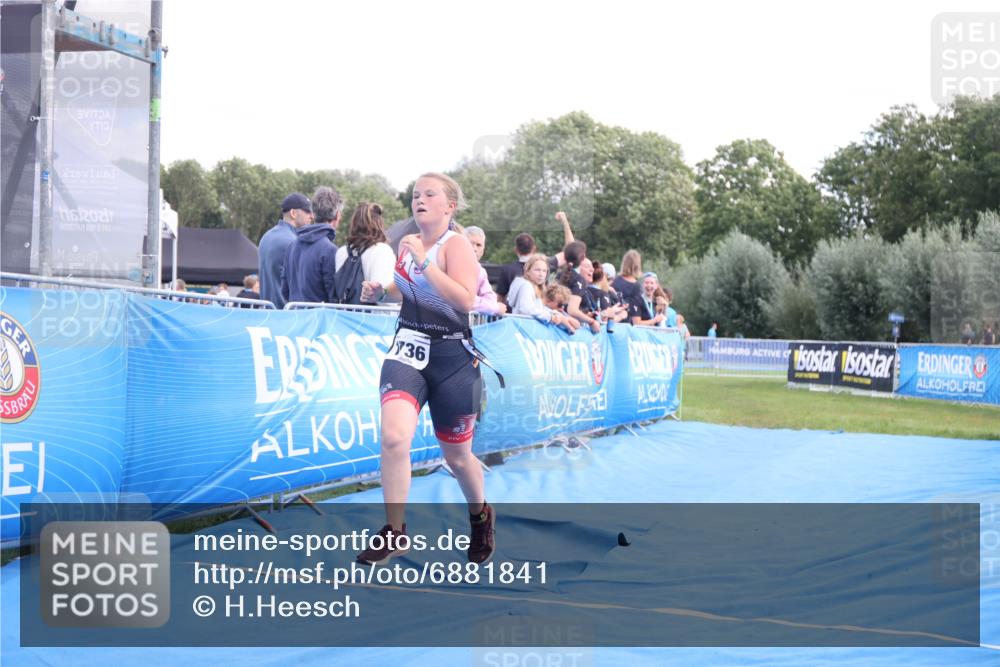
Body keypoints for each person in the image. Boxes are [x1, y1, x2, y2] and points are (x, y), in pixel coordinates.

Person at [357, 172, 496, 566]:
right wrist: (383, 289)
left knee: (457, 458)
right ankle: (395, 532)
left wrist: (423, 261)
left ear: (449, 206)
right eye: (415, 195)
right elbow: (408, 286)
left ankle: (480, 515)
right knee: (395, 438)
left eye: (429, 194)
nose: (419, 200)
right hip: (408, 350)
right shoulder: (409, 243)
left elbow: (464, 300)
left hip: (452, 359)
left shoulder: (458, 246)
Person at [495, 211, 576, 303]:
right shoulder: (546, 263)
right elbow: (572, 250)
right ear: (534, 249)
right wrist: (564, 221)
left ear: (515, 250)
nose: (541, 273)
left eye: (543, 271)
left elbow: (500, 298)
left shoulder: (507, 270)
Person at [281, 186, 342, 304]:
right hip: (320, 320)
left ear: (313, 214)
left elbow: (285, 290)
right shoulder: (330, 250)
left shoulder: (292, 246)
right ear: (337, 215)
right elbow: (333, 297)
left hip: (296, 317)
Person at [259, 192, 313, 308]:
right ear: (293, 213)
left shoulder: (266, 237)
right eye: (307, 212)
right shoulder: (293, 242)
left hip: (267, 312)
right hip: (286, 316)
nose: (312, 216)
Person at [335, 202, 396, 301]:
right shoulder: (382, 250)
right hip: (370, 316)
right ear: (379, 224)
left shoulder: (341, 252)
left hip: (344, 314)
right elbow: (384, 295)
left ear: (354, 223)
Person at [507, 253, 578, 332]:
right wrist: (550, 316)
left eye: (544, 271)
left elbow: (538, 309)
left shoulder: (535, 287)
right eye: (537, 270)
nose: (541, 274)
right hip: (523, 330)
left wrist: (555, 314)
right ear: (527, 271)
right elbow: (526, 309)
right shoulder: (526, 285)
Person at [557, 241, 601, 333]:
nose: (592, 269)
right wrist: (592, 322)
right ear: (582, 258)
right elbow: (572, 310)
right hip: (565, 327)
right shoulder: (578, 279)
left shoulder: (560, 273)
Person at [462, 225, 506, 315]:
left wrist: (490, 306)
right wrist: (495, 308)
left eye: (479, 245)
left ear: (483, 249)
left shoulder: (481, 271)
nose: (474, 249)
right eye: (471, 243)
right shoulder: (453, 265)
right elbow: (464, 298)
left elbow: (490, 298)